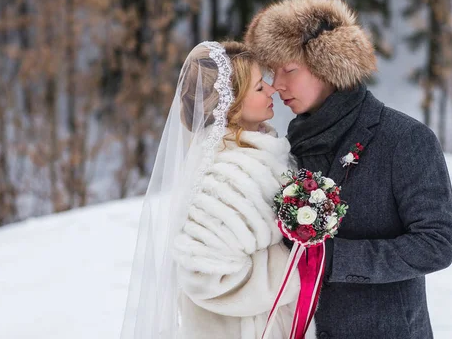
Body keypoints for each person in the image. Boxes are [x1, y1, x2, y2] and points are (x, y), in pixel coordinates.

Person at [245, 0, 452, 339]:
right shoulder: (291, 145)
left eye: (289, 69)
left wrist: (332, 260)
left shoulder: (405, 139)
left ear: (327, 64)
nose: (277, 84)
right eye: (272, 72)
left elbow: (436, 243)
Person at [120, 41, 315, 339]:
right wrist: (297, 269)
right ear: (232, 104)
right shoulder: (229, 176)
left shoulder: (258, 155)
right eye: (259, 87)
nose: (272, 90)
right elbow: (205, 277)